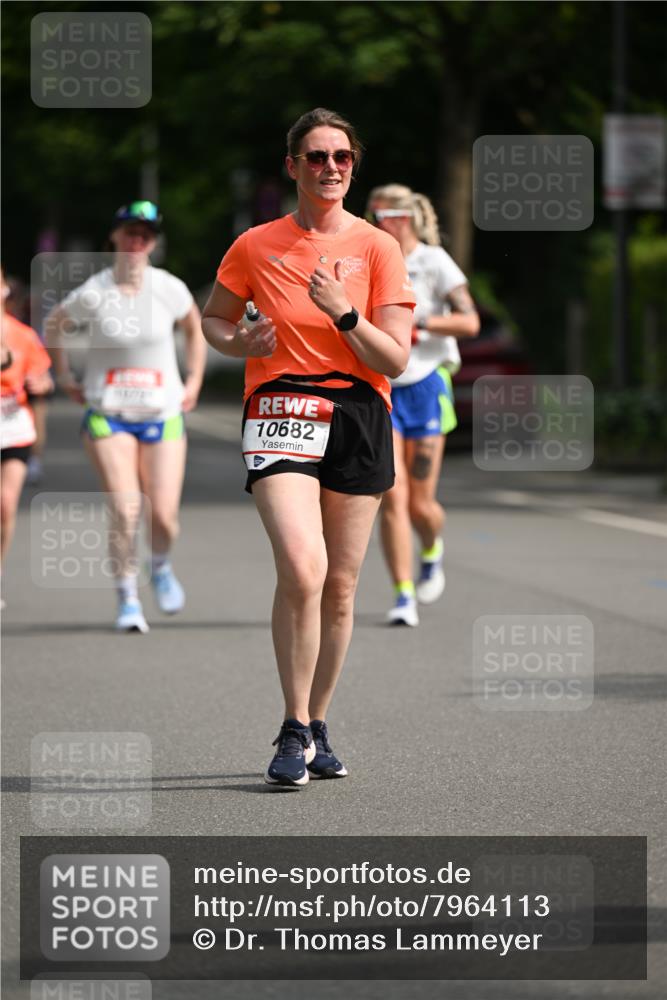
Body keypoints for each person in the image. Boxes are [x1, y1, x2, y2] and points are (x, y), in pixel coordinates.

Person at [202, 108, 415, 788]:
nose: (331, 168)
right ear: (291, 166)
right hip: (280, 404)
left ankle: (318, 723)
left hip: (358, 410)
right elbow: (215, 321)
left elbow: (397, 359)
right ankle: (292, 727)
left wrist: (344, 313)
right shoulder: (255, 244)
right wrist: (242, 343)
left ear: (354, 166)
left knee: (343, 587)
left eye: (342, 157)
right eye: (317, 156)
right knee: (302, 566)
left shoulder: (378, 249)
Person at [45, 201, 207, 633]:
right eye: (130, 232)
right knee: (126, 505)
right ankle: (128, 598)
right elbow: (55, 326)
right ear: (114, 237)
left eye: (146, 234)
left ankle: (159, 565)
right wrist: (64, 375)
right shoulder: (94, 292)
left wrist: (193, 381)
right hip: (108, 412)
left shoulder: (169, 288)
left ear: (154, 242)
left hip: (163, 411)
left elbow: (195, 329)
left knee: (164, 515)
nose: (137, 241)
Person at [365, 184, 480, 626]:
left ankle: (431, 548)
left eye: (382, 215)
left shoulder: (433, 261)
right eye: (373, 215)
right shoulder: (369, 258)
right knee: (392, 497)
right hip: (384, 387)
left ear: (402, 217)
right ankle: (403, 593)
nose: (376, 223)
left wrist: (421, 324)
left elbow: (468, 320)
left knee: (421, 505)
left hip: (426, 385)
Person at [1, 266, 53, 606]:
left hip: (13, 427)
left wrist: (41, 384)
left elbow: (43, 379)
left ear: (5, 290)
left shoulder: (22, 335)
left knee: (5, 505)